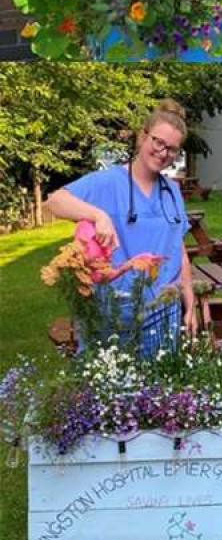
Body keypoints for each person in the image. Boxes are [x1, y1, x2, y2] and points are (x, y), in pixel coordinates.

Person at [47, 99, 197, 353]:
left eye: (172, 149)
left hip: (162, 314)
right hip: (111, 312)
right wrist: (98, 215)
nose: (163, 153)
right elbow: (54, 201)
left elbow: (178, 248)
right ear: (143, 136)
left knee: (160, 389)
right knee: (106, 389)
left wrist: (190, 303)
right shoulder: (106, 182)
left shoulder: (172, 191)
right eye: (158, 142)